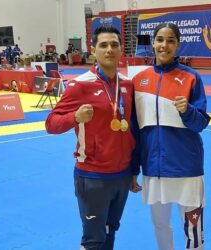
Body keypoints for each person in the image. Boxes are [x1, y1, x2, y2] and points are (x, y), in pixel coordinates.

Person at [46, 25, 136, 250]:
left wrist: (134, 169)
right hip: (93, 176)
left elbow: (132, 129)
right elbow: (51, 124)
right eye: (103, 45)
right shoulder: (80, 85)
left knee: (110, 232)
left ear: (121, 49)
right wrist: (75, 117)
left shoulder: (127, 85)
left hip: (122, 175)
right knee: (93, 241)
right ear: (93, 50)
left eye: (114, 45)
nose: (109, 50)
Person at [131, 23, 211, 250]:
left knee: (193, 232)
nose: (164, 45)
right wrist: (133, 169)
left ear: (177, 45)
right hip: (153, 168)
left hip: (187, 168)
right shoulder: (139, 80)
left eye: (170, 41)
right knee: (160, 225)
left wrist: (188, 111)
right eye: (159, 39)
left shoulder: (191, 77)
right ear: (153, 43)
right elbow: (136, 130)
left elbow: (201, 123)